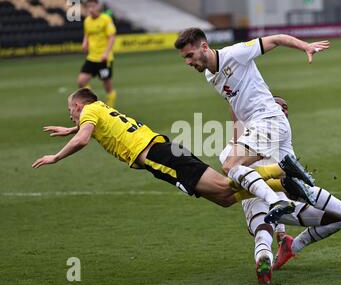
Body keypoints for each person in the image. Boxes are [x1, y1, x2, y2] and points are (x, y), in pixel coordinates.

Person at [174, 28, 341, 280]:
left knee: (230, 164)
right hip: (266, 126)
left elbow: (276, 39)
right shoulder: (209, 76)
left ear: (204, 47)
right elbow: (235, 105)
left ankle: (276, 203)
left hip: (268, 122)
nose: (188, 62)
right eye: (185, 58)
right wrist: (238, 139)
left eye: (190, 55)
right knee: (297, 186)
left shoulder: (235, 53)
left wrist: (305, 47)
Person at [32, 88, 307, 212]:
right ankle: (283, 182)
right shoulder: (100, 107)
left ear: (79, 106)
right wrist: (71, 129)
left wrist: (56, 156)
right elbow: (93, 130)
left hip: (157, 156)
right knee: (224, 199)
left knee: (224, 186)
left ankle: (283, 174)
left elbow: (83, 139)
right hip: (161, 150)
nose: (70, 116)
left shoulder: (90, 111)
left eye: (71, 111)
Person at [78, 0, 117, 108]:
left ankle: (110, 108)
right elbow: (87, 34)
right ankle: (93, 102)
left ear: (98, 6)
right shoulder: (87, 21)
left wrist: (106, 53)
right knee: (81, 82)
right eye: (88, 7)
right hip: (92, 57)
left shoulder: (106, 19)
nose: (91, 9)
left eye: (93, 6)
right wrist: (84, 42)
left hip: (104, 59)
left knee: (107, 86)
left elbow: (112, 37)